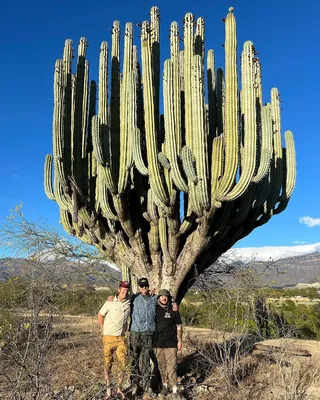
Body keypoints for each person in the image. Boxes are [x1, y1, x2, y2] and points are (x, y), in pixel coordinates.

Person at [97, 280, 131, 399]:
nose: (125, 291)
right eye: (123, 288)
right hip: (108, 337)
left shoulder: (129, 302)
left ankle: (119, 388)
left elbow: (141, 295)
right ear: (119, 289)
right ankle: (108, 390)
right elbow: (100, 314)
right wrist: (102, 329)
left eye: (127, 289)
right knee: (108, 363)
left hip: (121, 338)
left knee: (124, 363)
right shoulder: (109, 302)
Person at [130, 277, 158, 398]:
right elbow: (120, 299)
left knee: (146, 359)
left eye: (146, 285)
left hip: (148, 333)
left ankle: (147, 386)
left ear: (148, 286)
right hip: (135, 332)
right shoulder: (133, 298)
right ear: (138, 287)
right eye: (142, 286)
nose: (144, 288)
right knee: (134, 358)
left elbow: (167, 300)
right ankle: (135, 384)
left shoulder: (154, 298)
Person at [154, 289, 183, 399]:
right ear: (159, 298)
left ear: (169, 298)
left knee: (172, 367)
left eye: (166, 296)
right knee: (162, 366)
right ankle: (165, 386)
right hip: (158, 343)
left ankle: (175, 389)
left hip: (171, 343)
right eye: (162, 296)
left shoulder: (173, 309)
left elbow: (179, 325)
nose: (164, 298)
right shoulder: (155, 309)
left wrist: (179, 341)